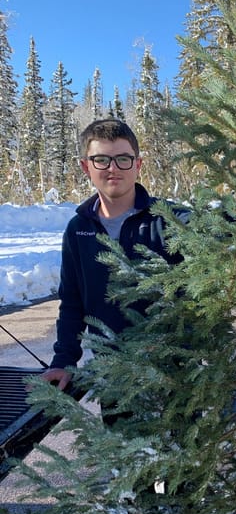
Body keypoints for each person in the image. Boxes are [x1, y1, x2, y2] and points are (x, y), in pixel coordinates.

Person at [41, 118, 180, 394]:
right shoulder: (78, 229)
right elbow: (72, 302)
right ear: (86, 166)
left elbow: (213, 228)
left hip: (174, 377)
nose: (113, 168)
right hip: (114, 376)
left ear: (138, 165)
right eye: (101, 159)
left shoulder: (169, 219)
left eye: (123, 159)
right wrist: (63, 359)